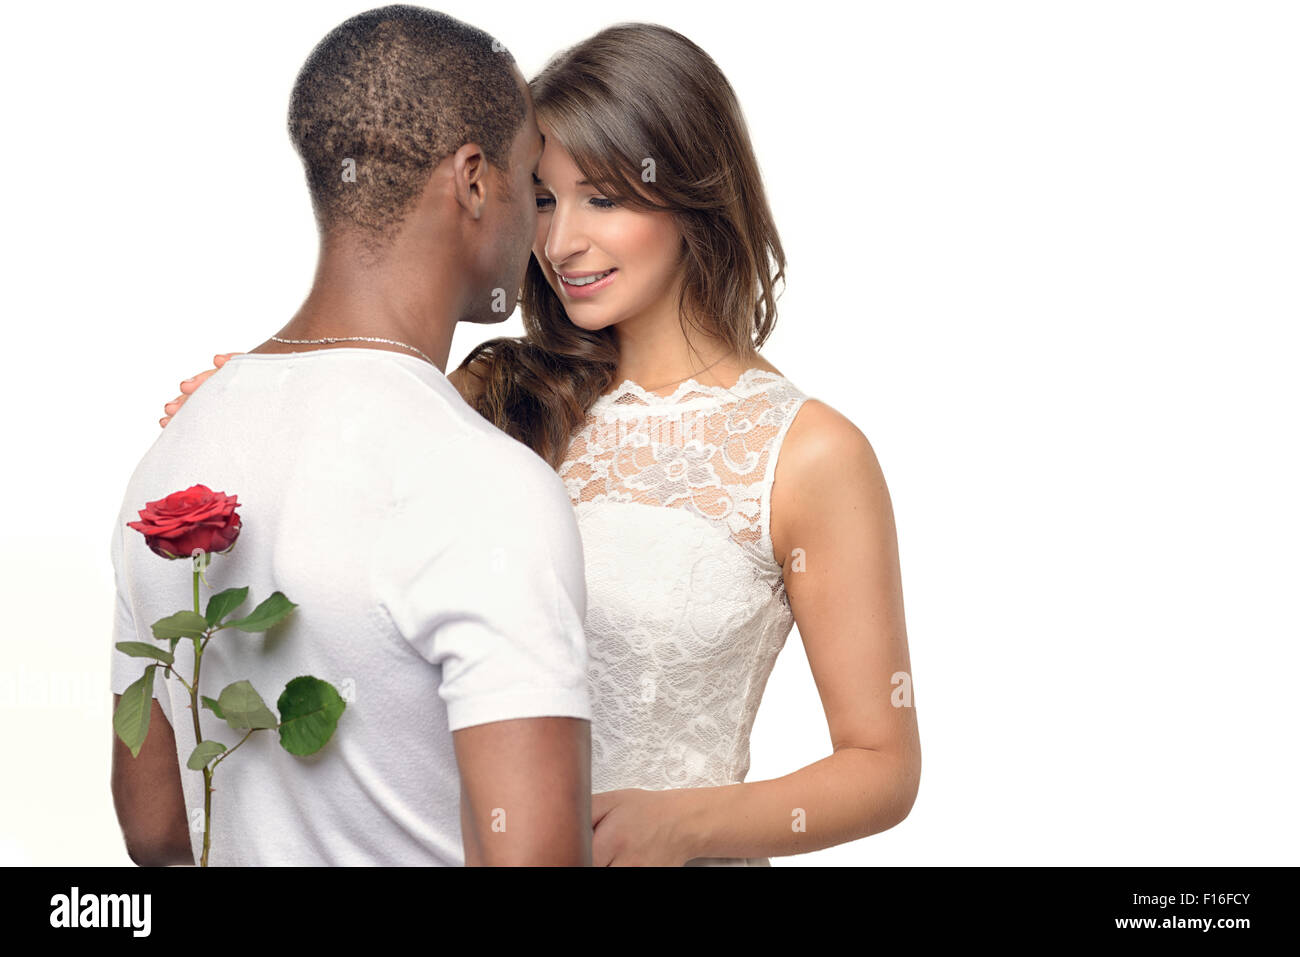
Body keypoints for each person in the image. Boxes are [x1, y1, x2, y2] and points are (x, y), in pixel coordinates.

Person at [162, 22, 921, 866]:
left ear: (696, 189)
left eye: (603, 197)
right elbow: (339, 500)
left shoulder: (809, 453)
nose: (560, 244)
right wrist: (257, 404)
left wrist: (684, 823)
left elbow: (882, 765)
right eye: (545, 197)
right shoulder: (493, 390)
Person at [111, 5, 592, 866]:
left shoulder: (178, 450)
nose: (544, 232)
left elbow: (155, 828)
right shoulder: (485, 481)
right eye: (532, 180)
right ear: (474, 180)